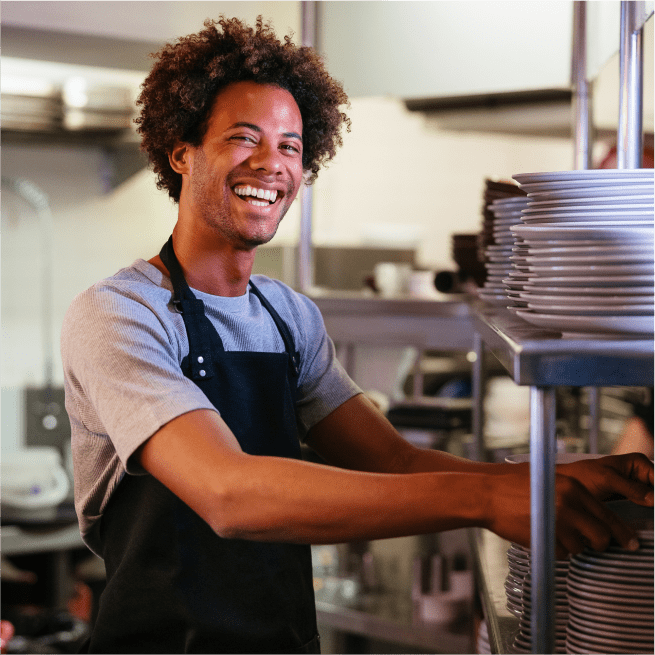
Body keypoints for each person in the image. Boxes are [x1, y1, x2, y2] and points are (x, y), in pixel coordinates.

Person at [61, 16, 654, 655]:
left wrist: (535, 482)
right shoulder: (121, 314)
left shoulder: (290, 317)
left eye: (291, 145)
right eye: (244, 137)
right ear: (181, 153)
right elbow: (228, 492)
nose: (271, 162)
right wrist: (485, 495)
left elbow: (393, 461)